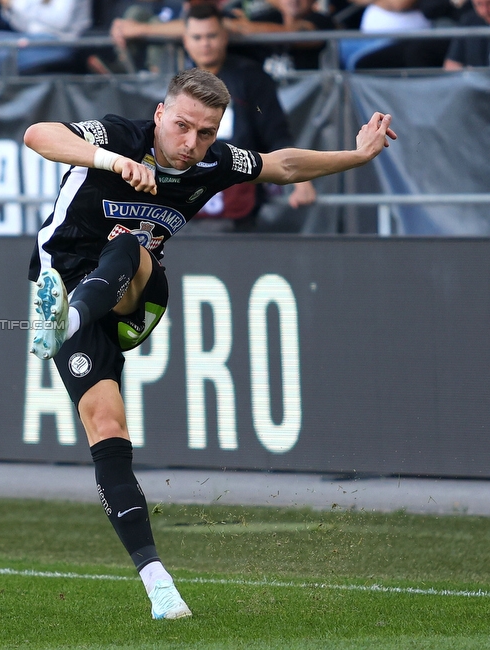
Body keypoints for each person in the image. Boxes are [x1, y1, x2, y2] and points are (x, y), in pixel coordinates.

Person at [22, 67, 395, 619]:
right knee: (107, 426)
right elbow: (37, 135)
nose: (191, 143)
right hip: (67, 278)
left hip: (136, 295)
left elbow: (281, 164)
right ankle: (159, 586)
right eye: (182, 126)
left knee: (129, 247)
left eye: (206, 132)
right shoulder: (118, 136)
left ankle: (68, 322)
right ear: (159, 115)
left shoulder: (214, 163)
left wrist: (357, 156)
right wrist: (109, 161)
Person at [181, 2, 316, 231]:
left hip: (242, 200)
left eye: (211, 35)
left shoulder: (251, 79)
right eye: (197, 37)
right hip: (187, 202)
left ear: (225, 36)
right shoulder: (178, 85)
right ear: (186, 41)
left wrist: (301, 181)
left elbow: (276, 133)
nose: (205, 44)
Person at [0, 0, 92, 77]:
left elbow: (60, 21)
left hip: (61, 44)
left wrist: (14, 5)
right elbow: (25, 26)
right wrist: (7, 8)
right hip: (33, 39)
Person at [443, 0, 490, 69]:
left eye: (489, 4)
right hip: (474, 78)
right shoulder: (468, 21)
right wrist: (467, 75)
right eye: (479, 4)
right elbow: (451, 64)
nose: (485, 10)